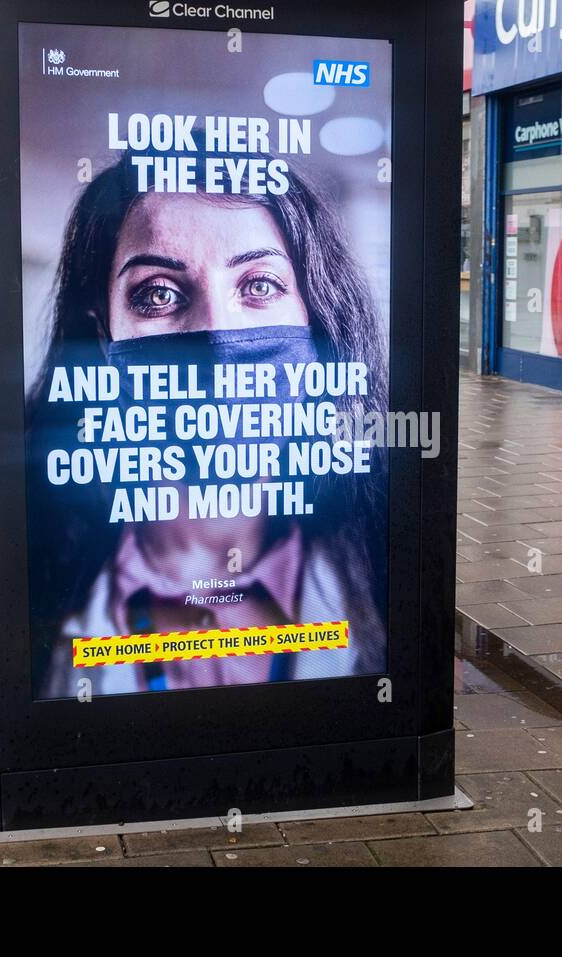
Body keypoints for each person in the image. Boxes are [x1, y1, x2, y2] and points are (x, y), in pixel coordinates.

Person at [31, 147, 389, 698]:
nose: (221, 347)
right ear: (103, 334)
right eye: (158, 294)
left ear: (315, 313)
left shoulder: (388, 549)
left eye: (259, 286)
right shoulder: (30, 563)